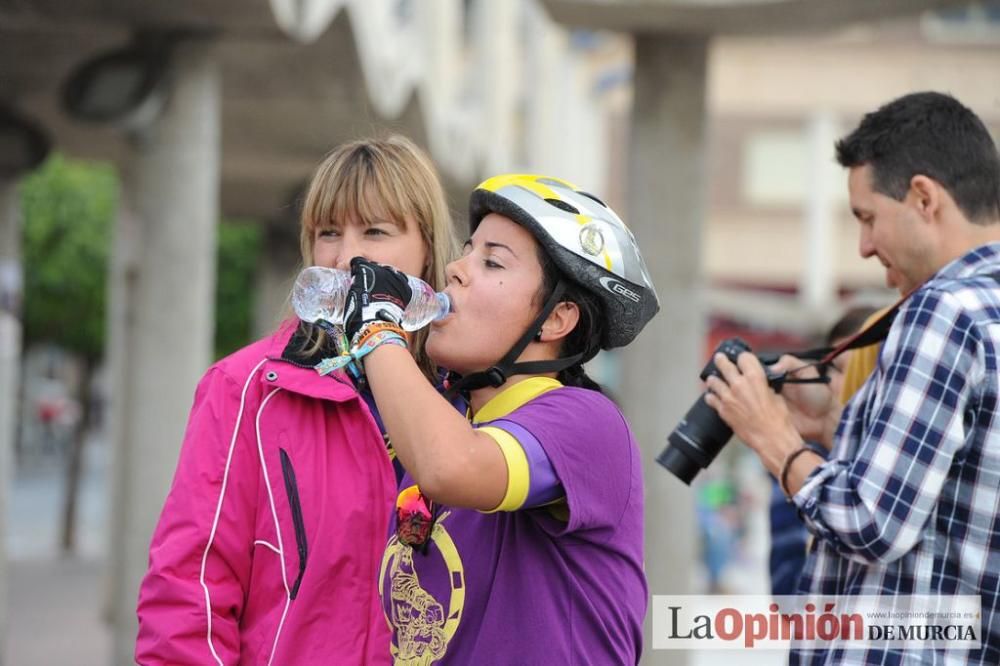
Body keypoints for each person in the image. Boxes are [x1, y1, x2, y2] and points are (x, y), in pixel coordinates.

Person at [135, 135, 459, 665]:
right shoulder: (245, 388)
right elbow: (187, 594)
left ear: (427, 251)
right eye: (328, 232)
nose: (346, 255)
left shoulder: (465, 400)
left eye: (375, 231)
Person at [705, 91, 1000, 663]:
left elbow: (870, 523)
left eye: (867, 218)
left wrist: (772, 436)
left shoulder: (942, 310)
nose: (864, 247)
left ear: (923, 198)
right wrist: (837, 430)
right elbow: (947, 506)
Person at [336, 174, 659, 664]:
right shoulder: (446, 419)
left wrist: (378, 329)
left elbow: (451, 466)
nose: (454, 270)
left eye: (491, 261)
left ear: (556, 320)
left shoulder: (586, 422)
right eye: (466, 252)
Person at [767, 305, 877, 596]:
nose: (845, 384)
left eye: (860, 370)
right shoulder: (804, 458)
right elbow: (786, 589)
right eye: (837, 369)